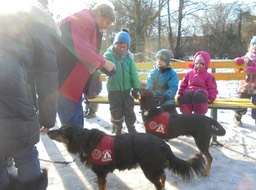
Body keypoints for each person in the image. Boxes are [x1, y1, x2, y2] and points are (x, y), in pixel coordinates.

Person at [0, 1, 59, 189]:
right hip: (9, 78)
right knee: (24, 147)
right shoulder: (39, 23)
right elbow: (47, 75)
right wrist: (47, 118)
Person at [57, 2, 116, 128]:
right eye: (107, 22)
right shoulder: (84, 19)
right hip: (67, 82)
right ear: (100, 14)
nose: (107, 27)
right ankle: (77, 147)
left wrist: (101, 66)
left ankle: (79, 146)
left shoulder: (91, 24)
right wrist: (104, 63)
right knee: (72, 127)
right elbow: (82, 50)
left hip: (75, 84)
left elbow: (88, 55)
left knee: (77, 123)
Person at [103, 29, 141, 135]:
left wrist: (136, 87)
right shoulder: (108, 55)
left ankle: (131, 127)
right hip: (113, 90)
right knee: (116, 110)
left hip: (127, 90)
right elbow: (103, 64)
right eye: (120, 45)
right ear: (115, 44)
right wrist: (104, 66)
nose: (122, 48)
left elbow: (134, 73)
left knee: (129, 109)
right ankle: (117, 127)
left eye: (125, 46)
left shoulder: (129, 58)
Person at [146, 49, 179, 114]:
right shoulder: (152, 73)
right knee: (151, 111)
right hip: (154, 98)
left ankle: (172, 121)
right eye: (157, 59)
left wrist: (164, 97)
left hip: (167, 98)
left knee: (171, 113)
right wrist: (153, 97)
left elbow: (173, 88)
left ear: (167, 62)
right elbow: (149, 87)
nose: (159, 61)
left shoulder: (171, 74)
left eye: (161, 60)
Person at [233, 36, 256, 127]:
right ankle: (238, 116)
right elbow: (237, 70)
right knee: (242, 103)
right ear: (251, 46)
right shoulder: (246, 57)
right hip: (245, 86)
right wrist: (238, 64)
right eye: (254, 45)